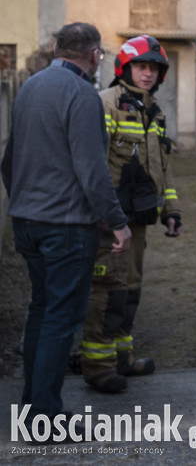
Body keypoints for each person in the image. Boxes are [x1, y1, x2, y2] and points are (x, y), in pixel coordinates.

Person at [1, 22, 131, 427]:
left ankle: (32, 407)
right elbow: (93, 172)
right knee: (61, 319)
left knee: (41, 310)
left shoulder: (29, 89)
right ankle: (44, 418)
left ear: (56, 48)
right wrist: (118, 223)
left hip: (26, 223)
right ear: (95, 56)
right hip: (66, 228)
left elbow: (8, 161)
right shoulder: (83, 95)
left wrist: (24, 201)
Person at [80, 35, 182, 392]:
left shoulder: (153, 110)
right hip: (110, 220)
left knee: (131, 290)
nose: (148, 73)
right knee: (107, 289)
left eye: (154, 68)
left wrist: (171, 210)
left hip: (139, 218)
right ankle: (96, 365)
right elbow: (94, 163)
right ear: (125, 68)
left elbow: (163, 167)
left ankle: (121, 358)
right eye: (141, 66)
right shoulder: (105, 104)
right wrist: (105, 213)